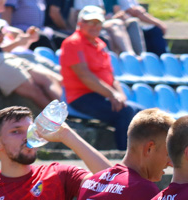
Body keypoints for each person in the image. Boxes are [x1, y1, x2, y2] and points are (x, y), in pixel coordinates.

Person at [59, 5, 143, 150]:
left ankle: (140, 154)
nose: (95, 26)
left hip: (102, 95)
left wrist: (120, 95)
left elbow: (111, 76)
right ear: (80, 23)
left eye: (98, 22)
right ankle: (124, 155)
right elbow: (85, 76)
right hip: (82, 97)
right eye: (90, 22)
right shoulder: (73, 43)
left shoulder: (100, 44)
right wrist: (112, 94)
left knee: (140, 113)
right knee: (126, 112)